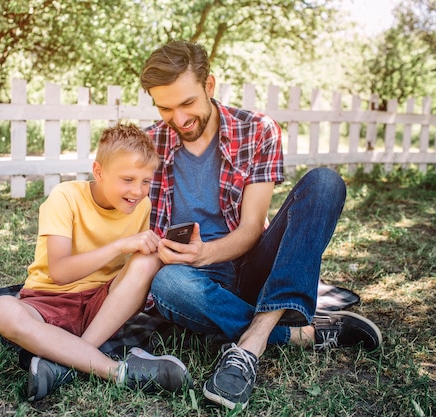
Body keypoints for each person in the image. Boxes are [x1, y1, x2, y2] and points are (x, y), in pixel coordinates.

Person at [140, 40, 382, 411]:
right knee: (166, 283)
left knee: (324, 183)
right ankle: (295, 334)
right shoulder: (150, 143)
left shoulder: (256, 131)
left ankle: (253, 338)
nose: (178, 118)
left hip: (252, 270)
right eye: (165, 107)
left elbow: (252, 228)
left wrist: (205, 253)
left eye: (187, 103)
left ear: (209, 86)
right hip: (190, 280)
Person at [0, 123, 192, 402]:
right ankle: (116, 370)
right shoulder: (66, 197)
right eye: (128, 179)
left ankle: (66, 362)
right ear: (99, 172)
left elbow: (130, 274)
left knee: (149, 258)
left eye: (146, 181)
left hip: (102, 306)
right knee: (0, 310)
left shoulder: (140, 206)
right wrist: (119, 246)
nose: (138, 190)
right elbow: (59, 272)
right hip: (49, 301)